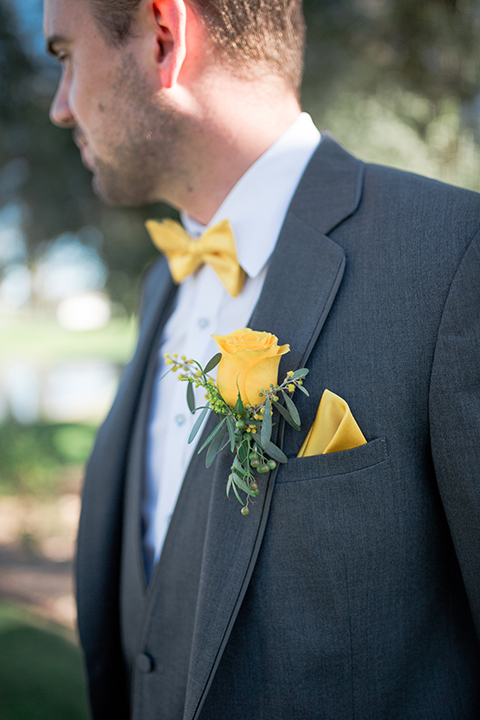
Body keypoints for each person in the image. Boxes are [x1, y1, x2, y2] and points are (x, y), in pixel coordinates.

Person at [43, 0, 480, 718]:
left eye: (64, 55)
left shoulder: (452, 256)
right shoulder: (164, 283)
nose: (60, 108)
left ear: (162, 37)